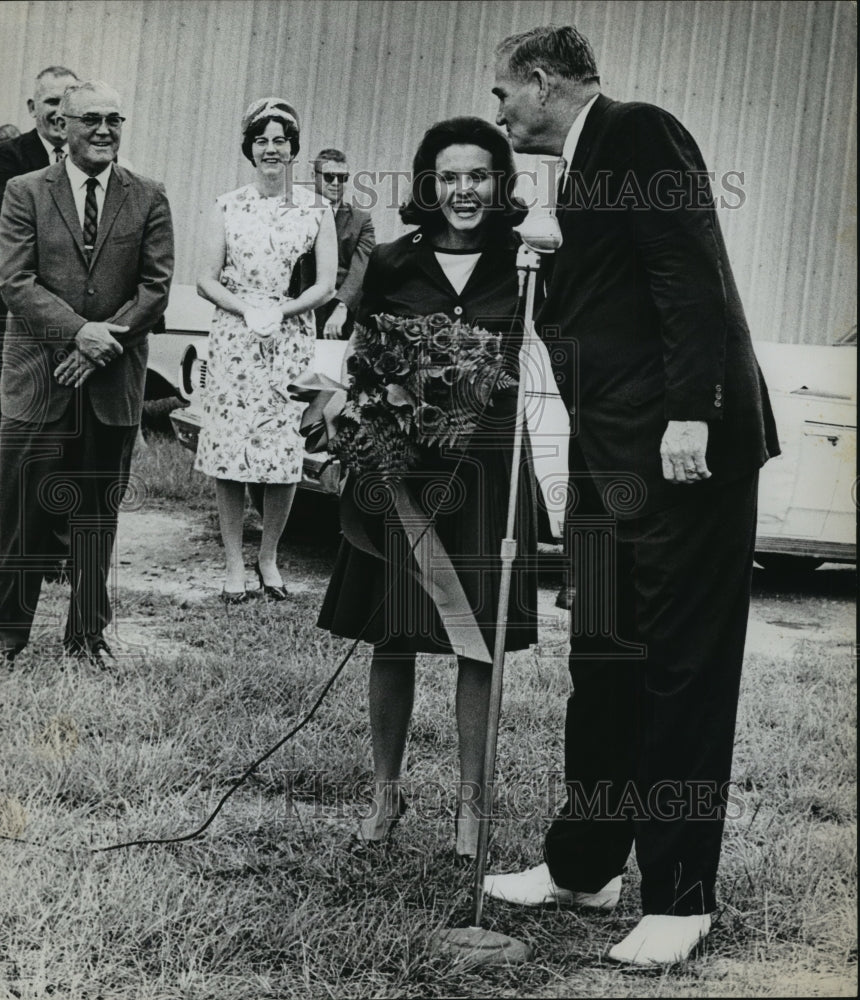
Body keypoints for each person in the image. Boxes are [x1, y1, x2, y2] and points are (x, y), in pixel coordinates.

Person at [482, 26, 781, 965]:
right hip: (613, 457)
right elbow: (615, 291)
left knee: (679, 670)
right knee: (605, 659)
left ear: (542, 81)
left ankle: (683, 898)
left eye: (504, 94)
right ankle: (584, 865)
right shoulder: (578, 173)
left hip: (682, 454)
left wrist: (692, 413)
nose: (498, 112)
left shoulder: (640, 133)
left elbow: (689, 278)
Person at [317, 117, 539, 859]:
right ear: (427, 184)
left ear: (500, 183)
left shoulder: (528, 259)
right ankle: (386, 795)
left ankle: (471, 810)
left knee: (479, 641)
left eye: (478, 175)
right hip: (398, 474)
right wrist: (344, 414)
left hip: (484, 472)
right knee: (394, 634)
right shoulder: (389, 260)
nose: (464, 190)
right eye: (449, 177)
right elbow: (346, 355)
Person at [0, 80, 174, 666]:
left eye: (114, 119)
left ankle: (87, 636)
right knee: (19, 510)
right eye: (91, 119)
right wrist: (80, 332)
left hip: (112, 381)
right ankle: (7, 635)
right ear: (63, 126)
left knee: (97, 515)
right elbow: (15, 281)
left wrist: (102, 344)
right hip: (38, 377)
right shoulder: (24, 191)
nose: (104, 130)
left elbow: (155, 288)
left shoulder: (148, 195)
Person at [195, 98, 337, 603]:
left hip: (289, 337)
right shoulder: (227, 204)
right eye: (262, 140)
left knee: (283, 451)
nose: (271, 149)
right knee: (231, 451)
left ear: (293, 148)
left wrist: (285, 309)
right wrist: (246, 309)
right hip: (236, 337)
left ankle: (269, 556)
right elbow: (205, 279)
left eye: (280, 140)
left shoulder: (315, 208)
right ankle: (234, 562)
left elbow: (325, 284)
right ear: (249, 148)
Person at [0, 66, 80, 582]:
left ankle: (55, 548)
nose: (56, 112)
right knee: (20, 439)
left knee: (66, 441)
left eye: (64, 103)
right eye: (47, 101)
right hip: (18, 323)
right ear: (32, 108)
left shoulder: (89, 163)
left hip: (75, 329)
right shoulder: (8, 162)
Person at [311, 148, 375, 340]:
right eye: (330, 177)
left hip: (339, 310)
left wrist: (342, 306)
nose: (337, 183)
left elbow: (361, 268)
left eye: (343, 177)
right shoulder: (297, 214)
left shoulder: (361, 220)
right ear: (314, 176)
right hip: (298, 306)